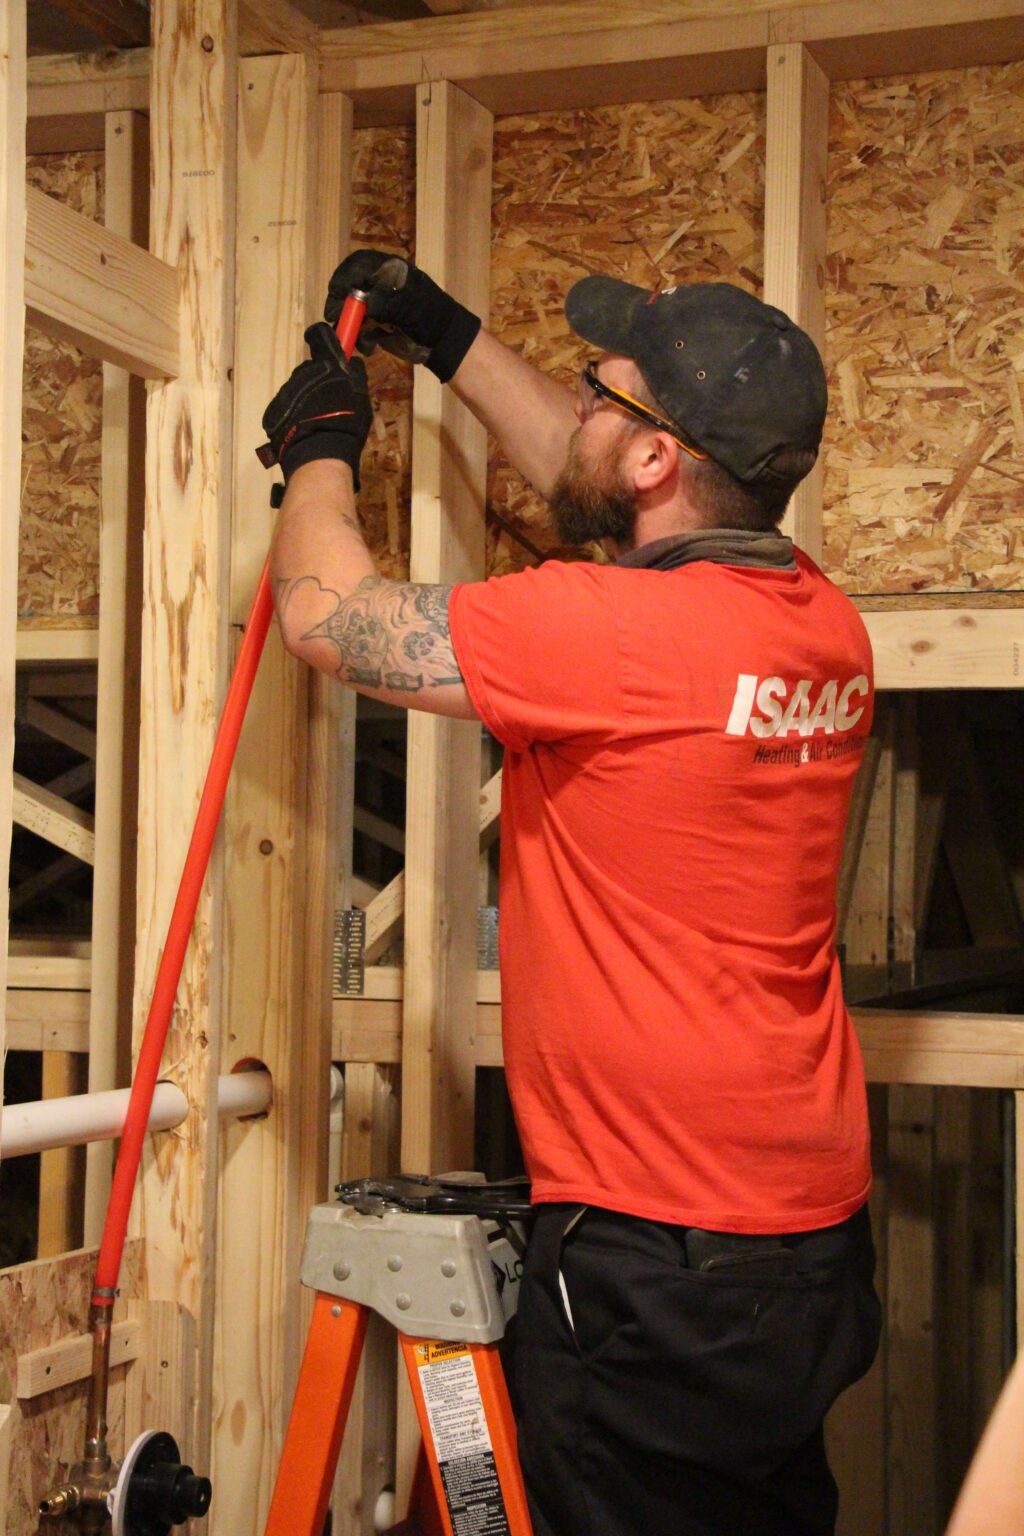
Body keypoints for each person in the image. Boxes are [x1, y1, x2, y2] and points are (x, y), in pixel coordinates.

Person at [263, 251, 882, 1536]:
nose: (579, 411)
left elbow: (329, 615)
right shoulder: (817, 617)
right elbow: (606, 472)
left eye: (602, 395)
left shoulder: (607, 633)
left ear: (657, 458)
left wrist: (321, 450)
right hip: (799, 1236)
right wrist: (448, 343)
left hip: (655, 1252)